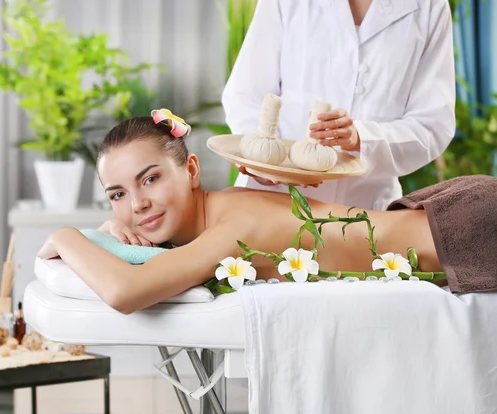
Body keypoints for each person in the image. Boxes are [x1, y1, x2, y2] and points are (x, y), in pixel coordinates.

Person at [37, 115, 496, 315]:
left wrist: (63, 235)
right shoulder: (214, 218)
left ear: (191, 170)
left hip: (463, 228)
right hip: (444, 221)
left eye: (150, 179)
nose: (136, 204)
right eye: (117, 193)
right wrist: (108, 229)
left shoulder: (233, 227)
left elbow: (126, 291)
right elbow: (126, 252)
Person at [221, 0, 456, 211]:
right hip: (270, 201)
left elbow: (433, 126)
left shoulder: (430, 7)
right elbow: (245, 96)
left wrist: (361, 139)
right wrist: (263, 162)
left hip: (363, 210)